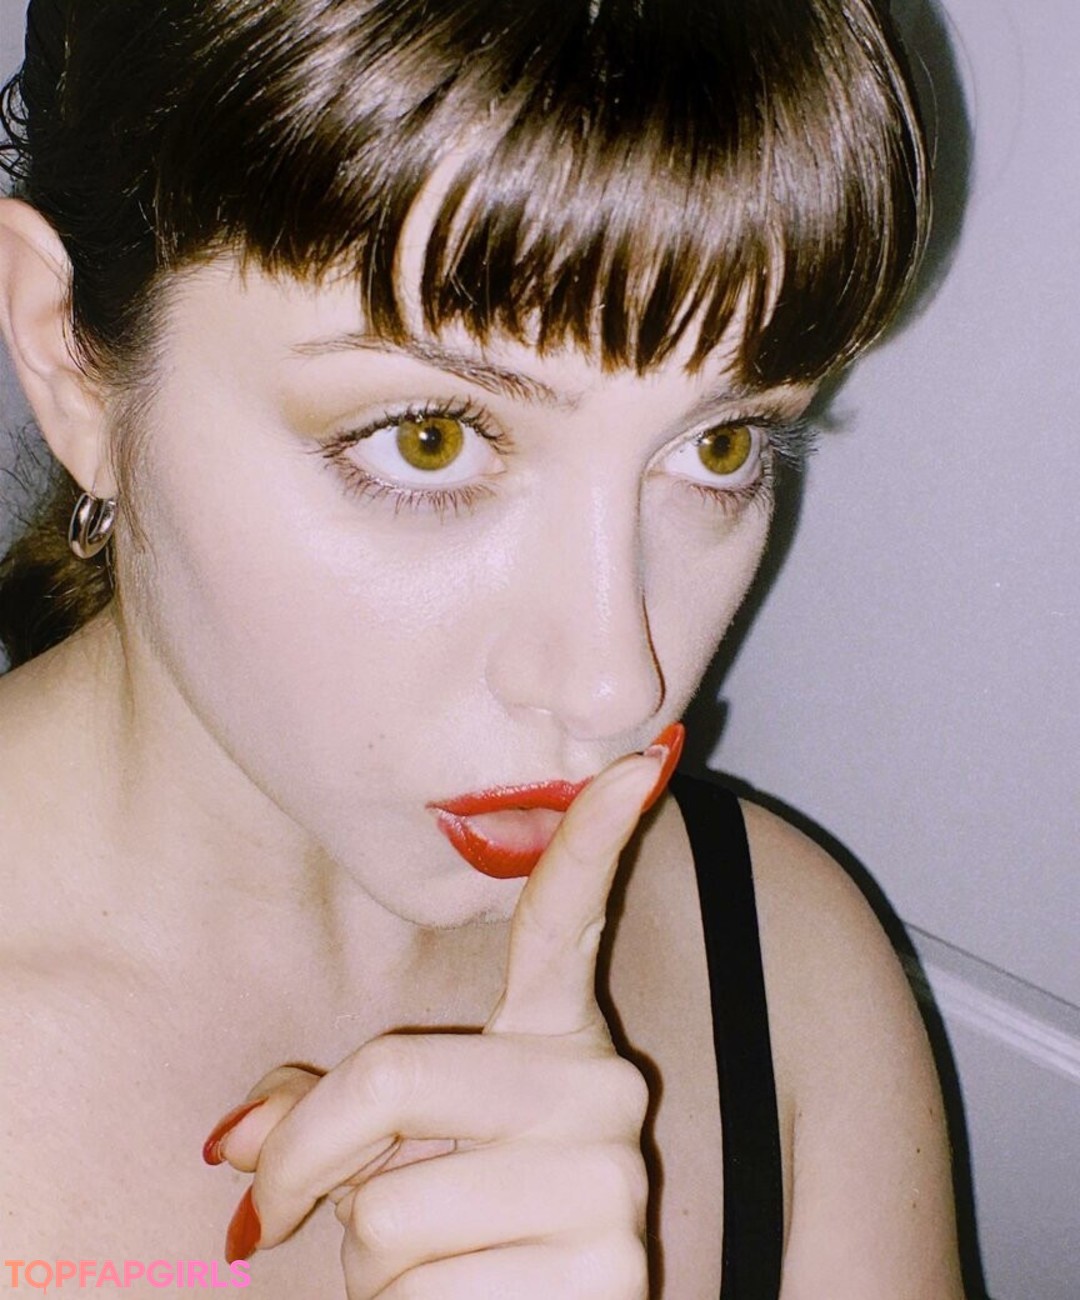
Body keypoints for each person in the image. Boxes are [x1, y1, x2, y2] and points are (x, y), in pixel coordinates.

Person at [0, 0, 966, 1295]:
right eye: (431, 439)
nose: (614, 683)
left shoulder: (791, 975)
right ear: (70, 358)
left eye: (718, 444)